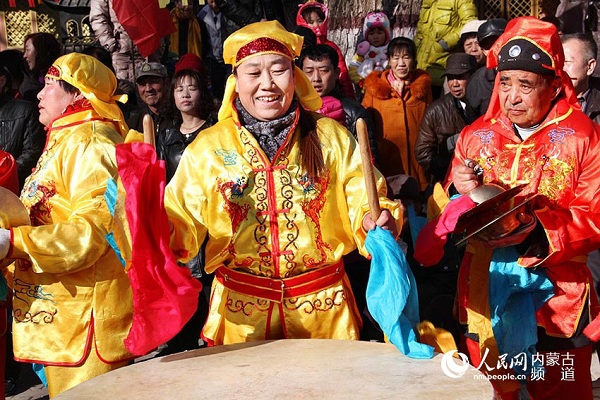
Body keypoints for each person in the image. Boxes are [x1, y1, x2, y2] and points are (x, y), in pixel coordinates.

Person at [163, 20, 401, 346]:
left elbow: (364, 196)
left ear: (295, 75)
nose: (267, 84)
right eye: (253, 73)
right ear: (235, 81)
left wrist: (374, 219)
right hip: (239, 317)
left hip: (324, 313)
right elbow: (180, 221)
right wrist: (151, 221)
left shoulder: (331, 138)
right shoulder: (208, 149)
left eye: (278, 70)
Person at [448, 17, 600, 399]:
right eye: (505, 83)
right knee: (492, 391)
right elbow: (449, 209)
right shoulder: (474, 135)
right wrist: (459, 190)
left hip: (556, 299)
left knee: (559, 388)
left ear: (552, 85)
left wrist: (537, 230)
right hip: (485, 294)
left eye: (525, 85)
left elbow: (595, 215)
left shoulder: (583, 136)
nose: (512, 96)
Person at [0, 53, 133, 397]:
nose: (39, 96)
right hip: (63, 314)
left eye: (48, 86)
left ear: (77, 94)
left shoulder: (91, 143)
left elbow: (90, 232)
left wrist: (15, 242)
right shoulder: (67, 139)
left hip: (86, 320)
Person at [155, 53, 216, 355]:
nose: (185, 94)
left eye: (191, 88)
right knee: (182, 284)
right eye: (179, 89)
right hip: (177, 219)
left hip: (209, 221)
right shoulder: (165, 134)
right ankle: (182, 342)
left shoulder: (214, 132)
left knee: (207, 285)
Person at [361, 36, 432, 191]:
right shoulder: (375, 89)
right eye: (396, 58)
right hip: (388, 159)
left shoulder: (422, 88)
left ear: (413, 61)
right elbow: (365, 125)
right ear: (389, 60)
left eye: (406, 58)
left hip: (417, 160)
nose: (401, 64)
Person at [415, 53, 478, 184]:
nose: (454, 84)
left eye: (460, 77)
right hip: (448, 182)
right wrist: (451, 171)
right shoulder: (436, 110)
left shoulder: (487, 106)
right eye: (450, 78)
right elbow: (423, 152)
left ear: (474, 76)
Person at [414, 0, 477, 98]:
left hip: (444, 66)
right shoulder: (428, 2)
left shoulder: (461, 1)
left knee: (444, 106)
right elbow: (420, 31)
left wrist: (446, 43)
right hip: (422, 67)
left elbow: (470, 24)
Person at [296, 0, 356, 99]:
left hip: (332, 97)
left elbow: (343, 77)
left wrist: (350, 98)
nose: (316, 25)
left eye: (319, 21)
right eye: (310, 22)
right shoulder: (296, 46)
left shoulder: (331, 46)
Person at [0, 61, 45, 189]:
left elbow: (32, 152)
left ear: (2, 81)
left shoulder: (24, 111)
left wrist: (6, 174)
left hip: (13, 191)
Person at [465, 18, 507, 118]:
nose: (495, 49)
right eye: (489, 46)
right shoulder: (478, 80)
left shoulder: (529, 72)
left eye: (499, 42)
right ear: (484, 51)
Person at [561, 33, 600, 123]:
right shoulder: (545, 100)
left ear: (590, 66)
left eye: (567, 62)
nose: (561, 69)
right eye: (558, 61)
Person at [126, 62, 170, 140]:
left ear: (166, 83)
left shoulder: (180, 118)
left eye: (153, 82)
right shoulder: (133, 124)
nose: (148, 89)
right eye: (142, 84)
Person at [349, 11, 392, 86]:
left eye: (379, 33)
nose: (375, 37)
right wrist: (361, 82)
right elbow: (353, 68)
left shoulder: (390, 49)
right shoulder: (363, 51)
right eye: (371, 34)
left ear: (386, 34)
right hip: (368, 87)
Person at [198, 0, 228, 100]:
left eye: (216, 2)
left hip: (228, 56)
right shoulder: (202, 15)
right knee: (217, 87)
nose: (214, 5)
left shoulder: (229, 11)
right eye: (211, 2)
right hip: (213, 57)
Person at [20, 32, 62, 103]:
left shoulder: (61, 77)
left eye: (28, 50)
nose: (24, 56)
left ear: (41, 51)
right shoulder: (29, 79)